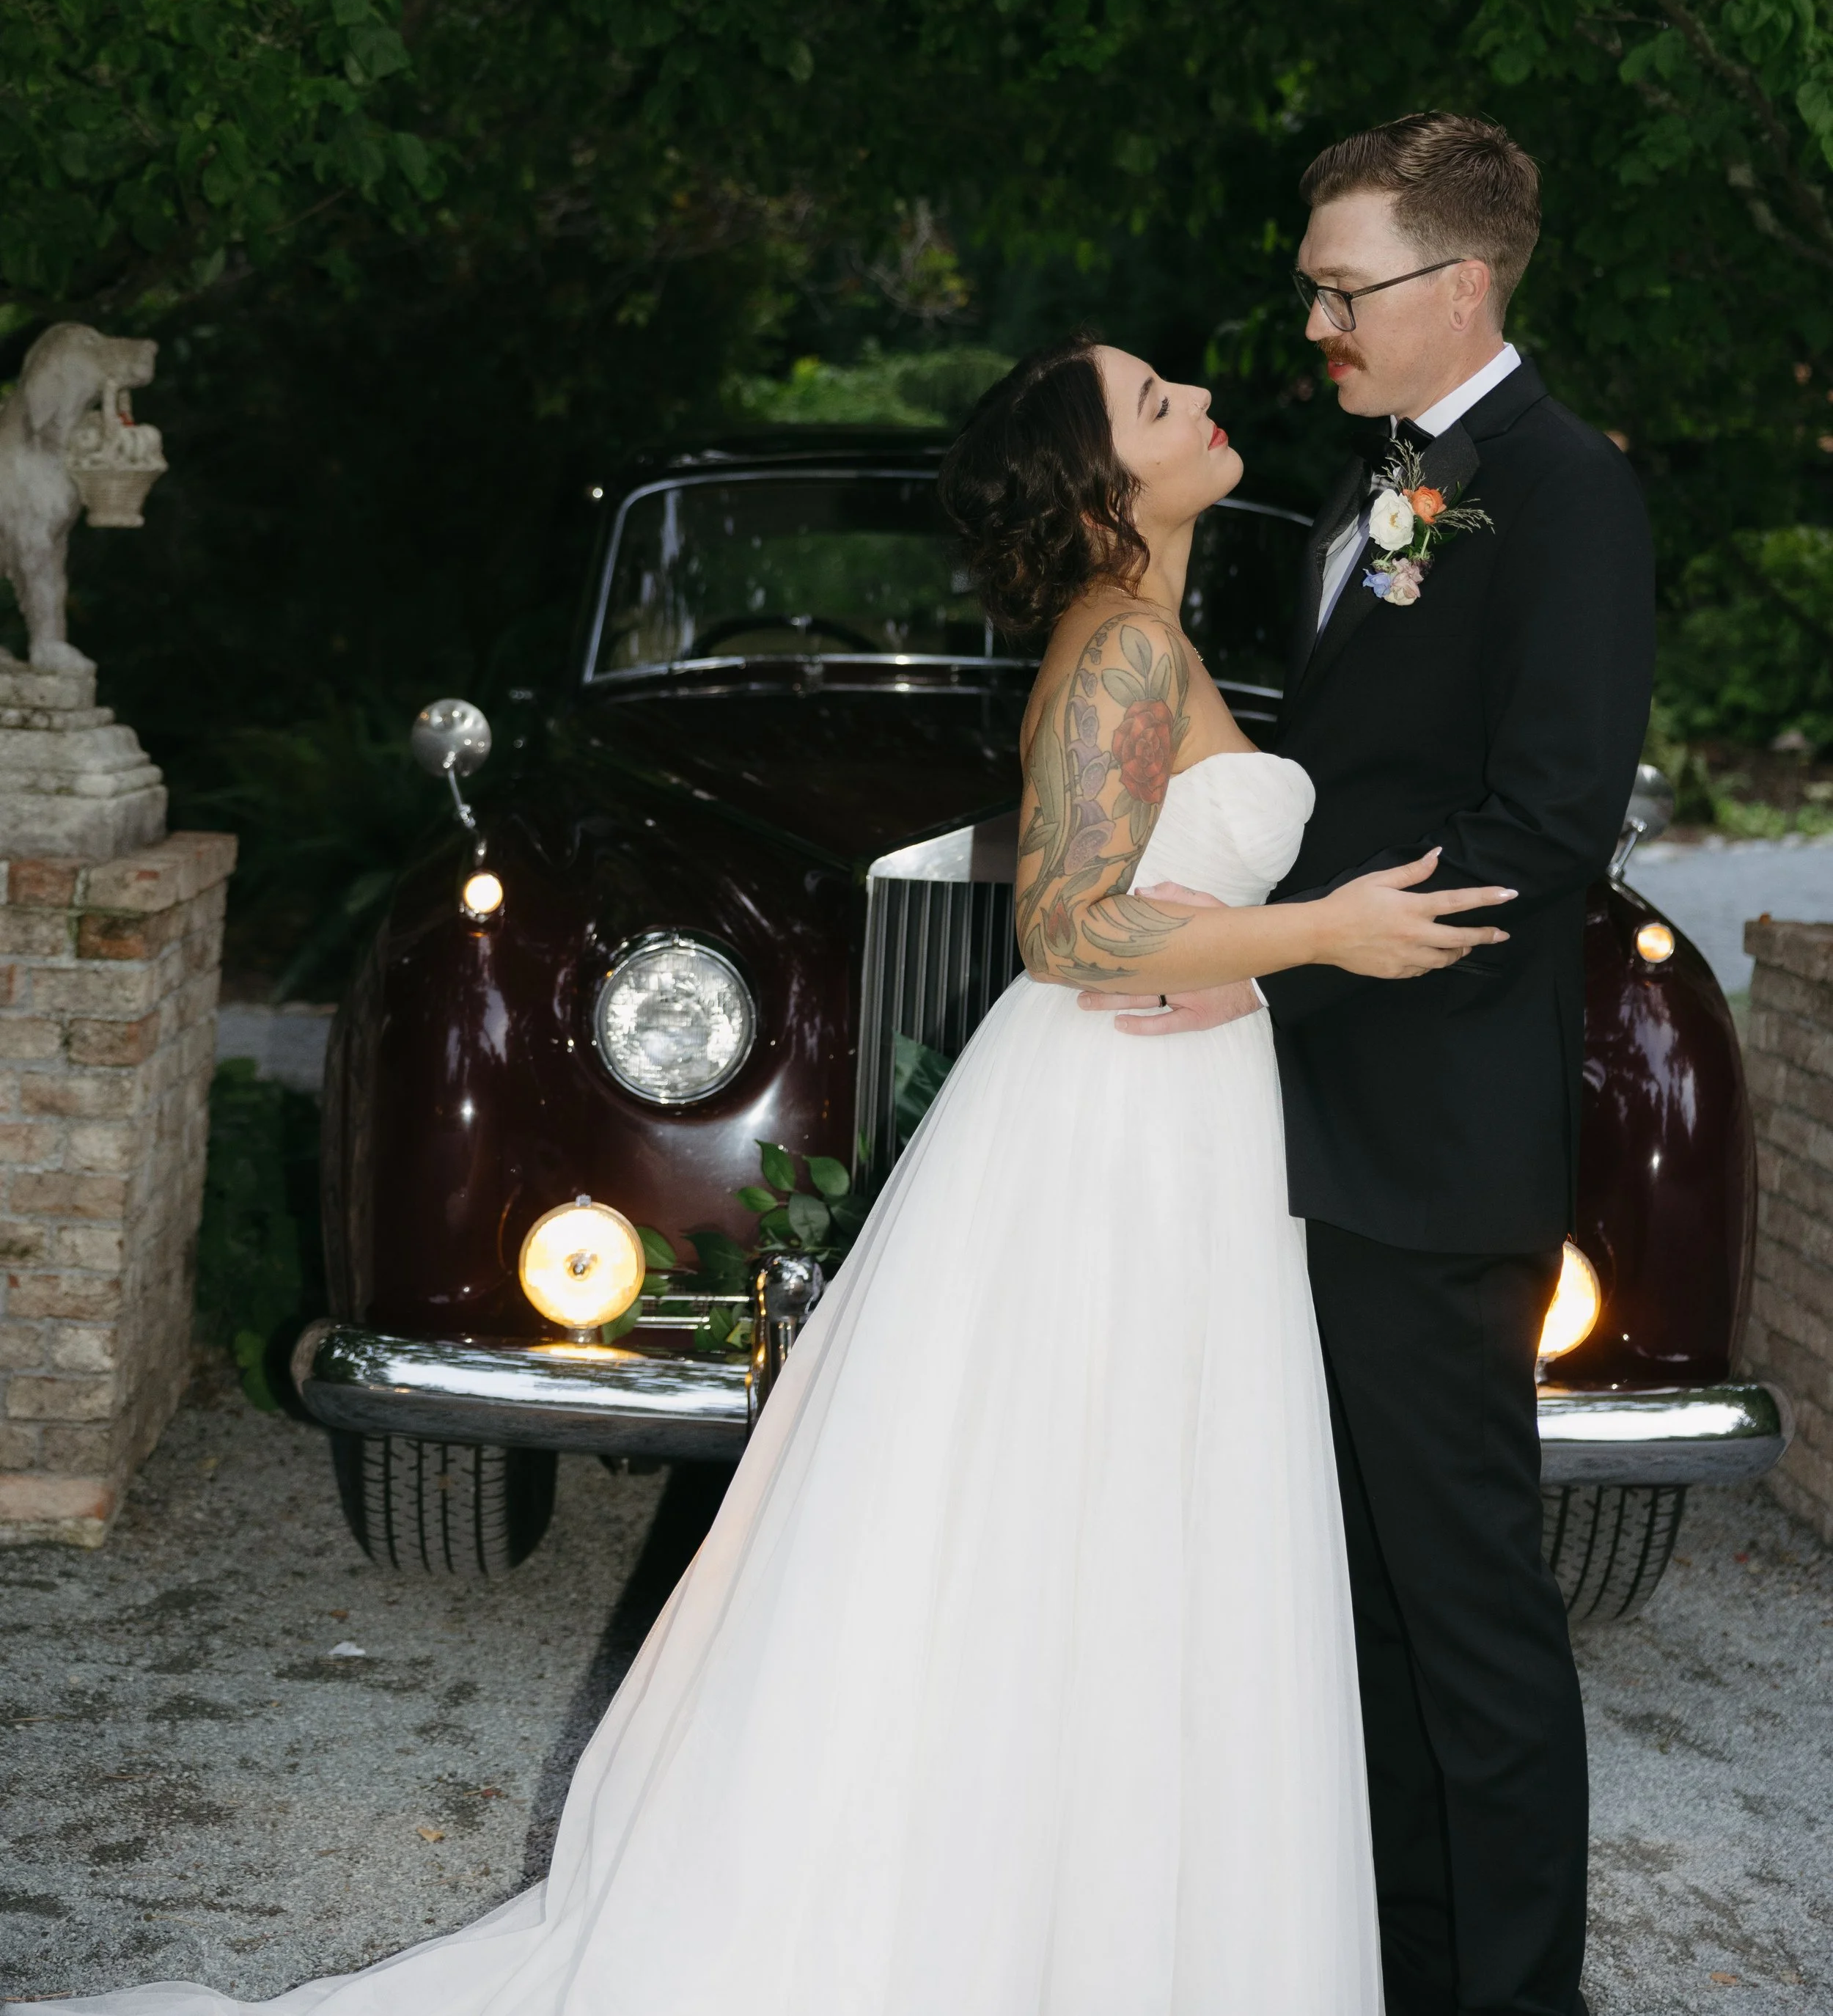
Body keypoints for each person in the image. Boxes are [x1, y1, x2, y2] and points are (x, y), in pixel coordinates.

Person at [44, 333, 1515, 2016]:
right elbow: (1059, 923)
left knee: (1127, 1516)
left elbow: (1145, 901)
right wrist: (1326, 931)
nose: (1193, 399)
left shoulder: (1148, 636)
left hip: (1168, 1113)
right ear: (1103, 480)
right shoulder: (1111, 649)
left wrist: (1274, 952)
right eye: (1151, 400)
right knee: (1079, 1507)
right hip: (1113, 1125)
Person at [1084, 114, 1654, 2016]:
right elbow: (1331, 793)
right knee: (1356, 1608)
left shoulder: (1563, 492)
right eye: (1316, 282)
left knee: (1470, 1619)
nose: (1312, 317)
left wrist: (1271, 979)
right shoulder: (1369, 489)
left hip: (1429, 1133)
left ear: (1459, 283)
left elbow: (1545, 821)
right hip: (1298, 1122)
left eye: (1344, 286)